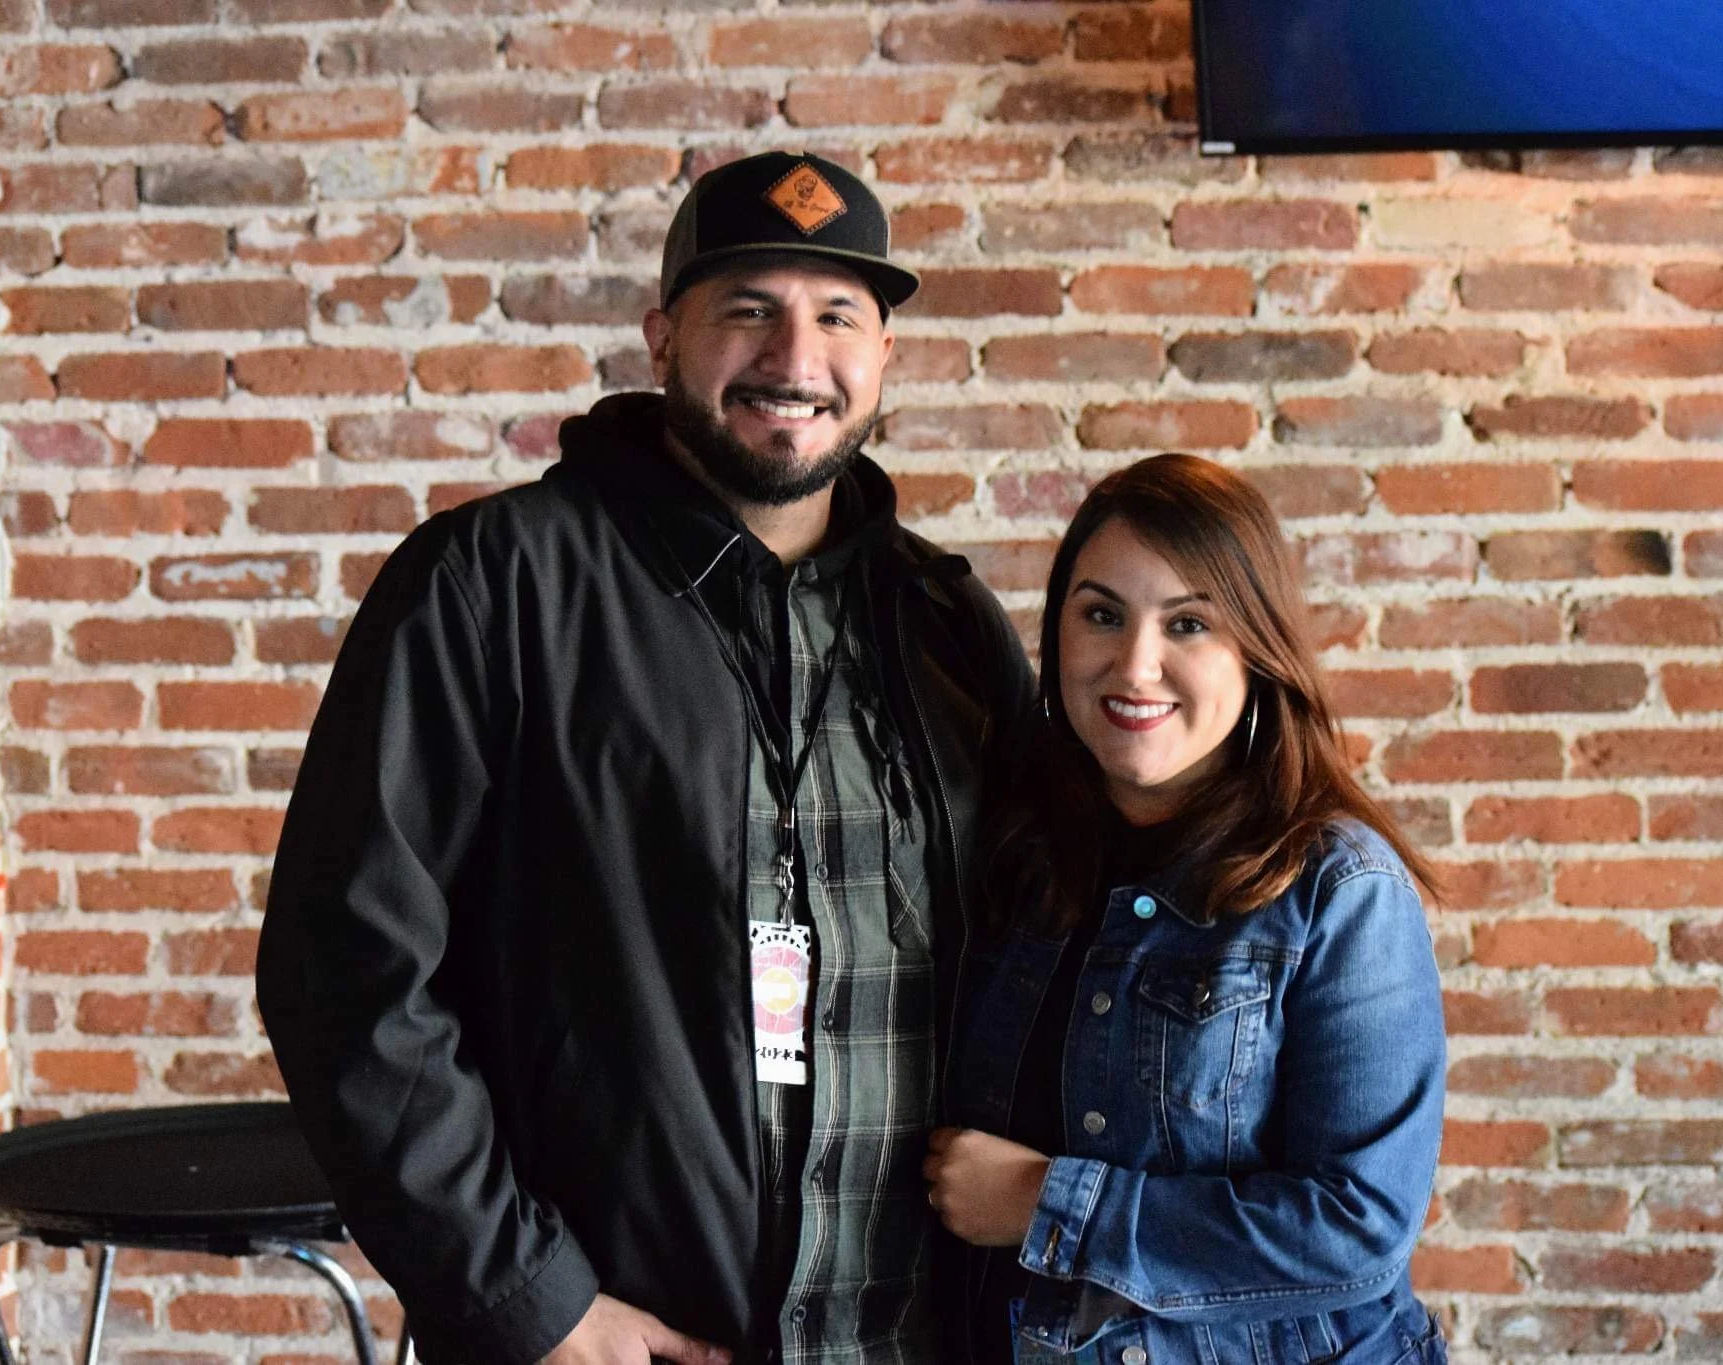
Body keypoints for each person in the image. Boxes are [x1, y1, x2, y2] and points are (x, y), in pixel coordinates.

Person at [256, 150, 1032, 1365]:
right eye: (746, 311)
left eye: (837, 316)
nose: (794, 359)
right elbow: (348, 970)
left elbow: (1041, 953)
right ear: (663, 337)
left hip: (909, 1334)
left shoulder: (942, 623)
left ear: (884, 357)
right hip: (626, 1341)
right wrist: (530, 1300)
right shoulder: (492, 585)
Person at [923, 454, 1449, 1364]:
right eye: (1101, 615)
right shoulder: (1011, 853)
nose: (1136, 663)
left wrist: (1043, 1200)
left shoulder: (1337, 891)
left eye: (1189, 623)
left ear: (1257, 650)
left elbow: (1358, 1227)